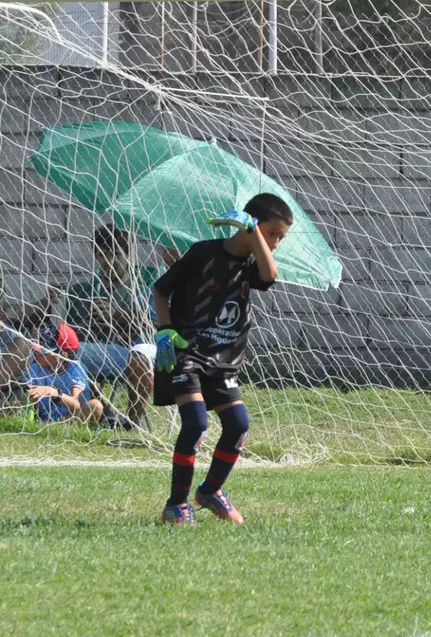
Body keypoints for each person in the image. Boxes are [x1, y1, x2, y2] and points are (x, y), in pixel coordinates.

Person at [152, 193, 291, 526]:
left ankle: (211, 491)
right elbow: (160, 289)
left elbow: (270, 276)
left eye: (280, 238)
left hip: (223, 360)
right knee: (197, 423)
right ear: (252, 224)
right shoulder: (204, 252)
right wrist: (164, 330)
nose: (274, 243)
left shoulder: (252, 266)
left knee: (238, 425)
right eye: (272, 233)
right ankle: (175, 505)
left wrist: (254, 234)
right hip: (187, 351)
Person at [59, 225, 157, 428]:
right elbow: (74, 331)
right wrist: (88, 325)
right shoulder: (86, 289)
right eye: (102, 255)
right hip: (103, 351)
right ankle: (91, 413)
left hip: (136, 354)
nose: (108, 262)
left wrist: (116, 317)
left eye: (115, 255)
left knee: (80, 352)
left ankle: (127, 421)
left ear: (128, 255)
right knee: (69, 351)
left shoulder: (146, 282)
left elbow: (155, 326)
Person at [23, 322, 104, 425]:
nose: (37, 353)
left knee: (95, 406)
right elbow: (24, 388)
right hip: (43, 418)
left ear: (63, 355)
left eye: (43, 351)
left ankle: (66, 427)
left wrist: (52, 392)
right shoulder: (36, 367)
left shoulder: (76, 369)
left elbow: (76, 405)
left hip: (70, 419)